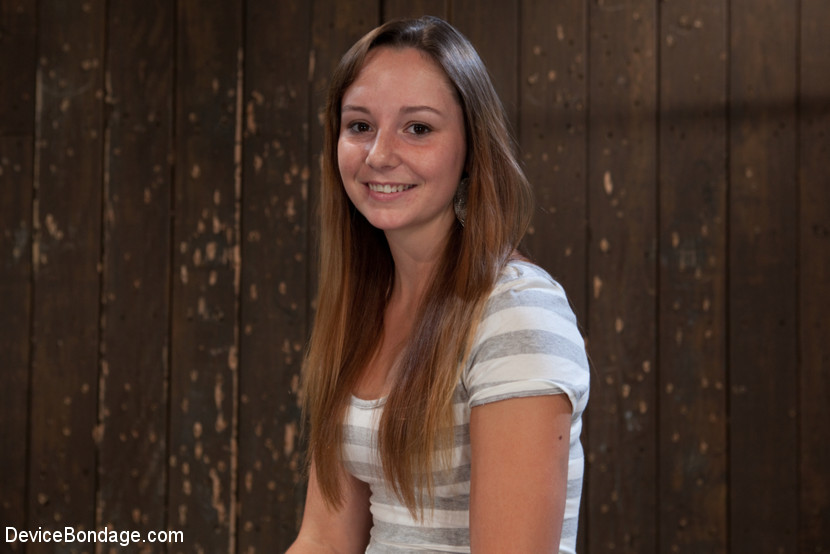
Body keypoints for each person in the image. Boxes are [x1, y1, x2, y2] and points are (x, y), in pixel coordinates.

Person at [287, 15, 589, 554]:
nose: (379, 155)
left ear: (472, 148)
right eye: (360, 126)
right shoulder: (364, 309)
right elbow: (325, 540)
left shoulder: (517, 312)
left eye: (418, 128)